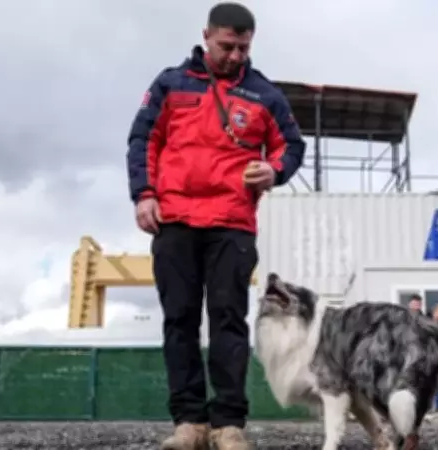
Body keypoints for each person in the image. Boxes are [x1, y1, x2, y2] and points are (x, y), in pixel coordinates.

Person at [125, 3, 306, 449]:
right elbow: (143, 138)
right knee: (179, 320)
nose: (235, 56)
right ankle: (189, 424)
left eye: (243, 47)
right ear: (207, 36)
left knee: (229, 321)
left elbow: (291, 146)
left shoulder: (266, 94)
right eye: (227, 46)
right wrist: (144, 193)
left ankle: (229, 425)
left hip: (232, 224)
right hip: (176, 220)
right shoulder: (170, 83)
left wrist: (274, 171)